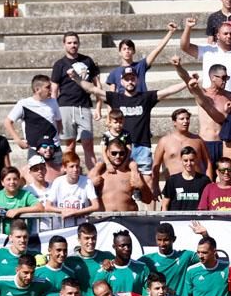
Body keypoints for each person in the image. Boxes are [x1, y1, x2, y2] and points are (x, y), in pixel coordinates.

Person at [71, 59, 189, 195]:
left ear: (137, 80)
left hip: (142, 146)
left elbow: (167, 91)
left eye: (132, 78)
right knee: (116, 181)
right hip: (119, 149)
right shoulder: (115, 97)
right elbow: (92, 89)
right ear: (122, 82)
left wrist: (187, 82)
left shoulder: (146, 97)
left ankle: (149, 216)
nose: (130, 81)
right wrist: (76, 78)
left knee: (147, 183)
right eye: (127, 79)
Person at [51, 32, 101, 168]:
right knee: (70, 145)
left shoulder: (87, 61)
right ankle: (68, 176)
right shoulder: (59, 64)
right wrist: (54, 112)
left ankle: (93, 180)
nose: (73, 45)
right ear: (64, 44)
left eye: (75, 42)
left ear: (78, 43)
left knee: (88, 144)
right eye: (69, 43)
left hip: (84, 107)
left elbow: (98, 85)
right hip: (65, 107)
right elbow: (54, 90)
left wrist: (98, 108)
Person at [180, 62, 231, 169]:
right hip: (206, 142)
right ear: (213, 78)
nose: (225, 81)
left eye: (226, 77)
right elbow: (187, 80)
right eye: (223, 77)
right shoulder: (203, 94)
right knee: (205, 179)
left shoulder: (230, 96)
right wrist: (178, 66)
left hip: (223, 144)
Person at [182, 17, 231, 97]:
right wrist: (188, 27)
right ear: (218, 36)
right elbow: (185, 47)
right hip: (210, 102)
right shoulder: (207, 50)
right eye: (225, 34)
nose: (229, 36)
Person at [152, 109, 211, 191]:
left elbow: (208, 163)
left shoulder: (198, 140)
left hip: (196, 184)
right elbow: (156, 165)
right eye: (182, 119)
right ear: (174, 122)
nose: (186, 121)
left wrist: (209, 184)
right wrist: (155, 186)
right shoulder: (164, 141)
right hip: (174, 186)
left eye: (187, 118)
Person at [107, 23, 177, 92]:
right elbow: (111, 97)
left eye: (129, 49)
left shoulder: (141, 66)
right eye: (124, 49)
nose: (127, 51)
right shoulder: (114, 73)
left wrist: (170, 32)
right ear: (120, 52)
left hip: (141, 102)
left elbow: (156, 50)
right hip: (123, 103)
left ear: (134, 51)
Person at [6, 74, 62, 159]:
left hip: (53, 147)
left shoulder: (53, 102)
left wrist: (55, 139)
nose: (51, 90)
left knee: (59, 172)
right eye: (47, 87)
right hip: (34, 148)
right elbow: (7, 122)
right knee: (36, 173)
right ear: (37, 89)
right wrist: (18, 140)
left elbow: (59, 121)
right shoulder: (23, 104)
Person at [90, 138, 151, 212]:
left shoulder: (131, 173)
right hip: (104, 220)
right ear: (107, 153)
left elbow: (148, 200)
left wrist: (142, 186)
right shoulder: (99, 173)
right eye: (114, 153)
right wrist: (91, 186)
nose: (118, 156)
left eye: (121, 153)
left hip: (127, 219)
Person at [0, 166, 43, 234]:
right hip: (1, 239)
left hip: (21, 239)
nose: (12, 182)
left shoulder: (25, 195)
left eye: (15, 179)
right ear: (2, 182)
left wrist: (18, 211)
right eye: (8, 179)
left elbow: (40, 207)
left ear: (19, 181)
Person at [42, 153, 100, 225]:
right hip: (62, 227)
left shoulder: (87, 181)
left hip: (81, 227)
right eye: (71, 166)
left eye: (77, 166)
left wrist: (76, 212)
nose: (75, 169)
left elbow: (96, 206)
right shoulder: (58, 182)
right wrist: (63, 210)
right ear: (64, 168)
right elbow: (47, 207)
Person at [96, 230, 150, 296]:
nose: (127, 248)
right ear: (114, 246)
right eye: (122, 246)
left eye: (129, 245)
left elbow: (150, 293)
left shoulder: (142, 268)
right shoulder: (105, 270)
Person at [160, 146, 211, 212]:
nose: (189, 163)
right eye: (185, 160)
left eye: (192, 160)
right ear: (181, 160)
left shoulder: (204, 180)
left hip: (197, 220)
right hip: (176, 220)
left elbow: (209, 203)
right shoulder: (172, 180)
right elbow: (165, 205)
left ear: (196, 159)